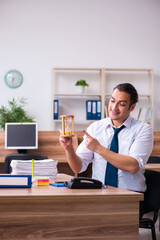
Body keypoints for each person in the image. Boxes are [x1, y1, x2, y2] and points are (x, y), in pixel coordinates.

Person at [59, 83, 153, 192]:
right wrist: (69, 149)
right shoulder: (95, 127)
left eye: (121, 104)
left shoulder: (143, 129)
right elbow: (78, 167)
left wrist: (99, 149)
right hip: (99, 193)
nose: (114, 107)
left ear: (132, 107)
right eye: (112, 101)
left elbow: (132, 166)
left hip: (130, 196)